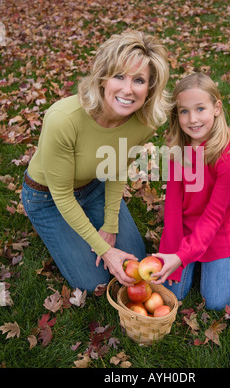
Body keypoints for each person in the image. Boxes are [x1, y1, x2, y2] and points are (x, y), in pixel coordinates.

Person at [21, 30, 170, 292]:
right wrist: (104, 249)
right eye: (119, 76)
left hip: (94, 184)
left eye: (138, 80)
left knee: (133, 255)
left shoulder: (143, 123)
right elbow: (63, 196)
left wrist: (110, 224)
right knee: (96, 282)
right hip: (48, 199)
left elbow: (116, 168)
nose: (127, 89)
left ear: (150, 88)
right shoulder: (63, 119)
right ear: (102, 78)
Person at [151, 72, 230, 310]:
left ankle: (209, 263)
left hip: (219, 231)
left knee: (215, 303)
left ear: (216, 108)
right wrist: (173, 251)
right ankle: (192, 261)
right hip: (184, 228)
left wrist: (182, 257)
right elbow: (173, 204)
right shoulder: (178, 148)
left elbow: (215, 216)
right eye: (184, 111)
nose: (192, 119)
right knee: (171, 295)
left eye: (200, 109)